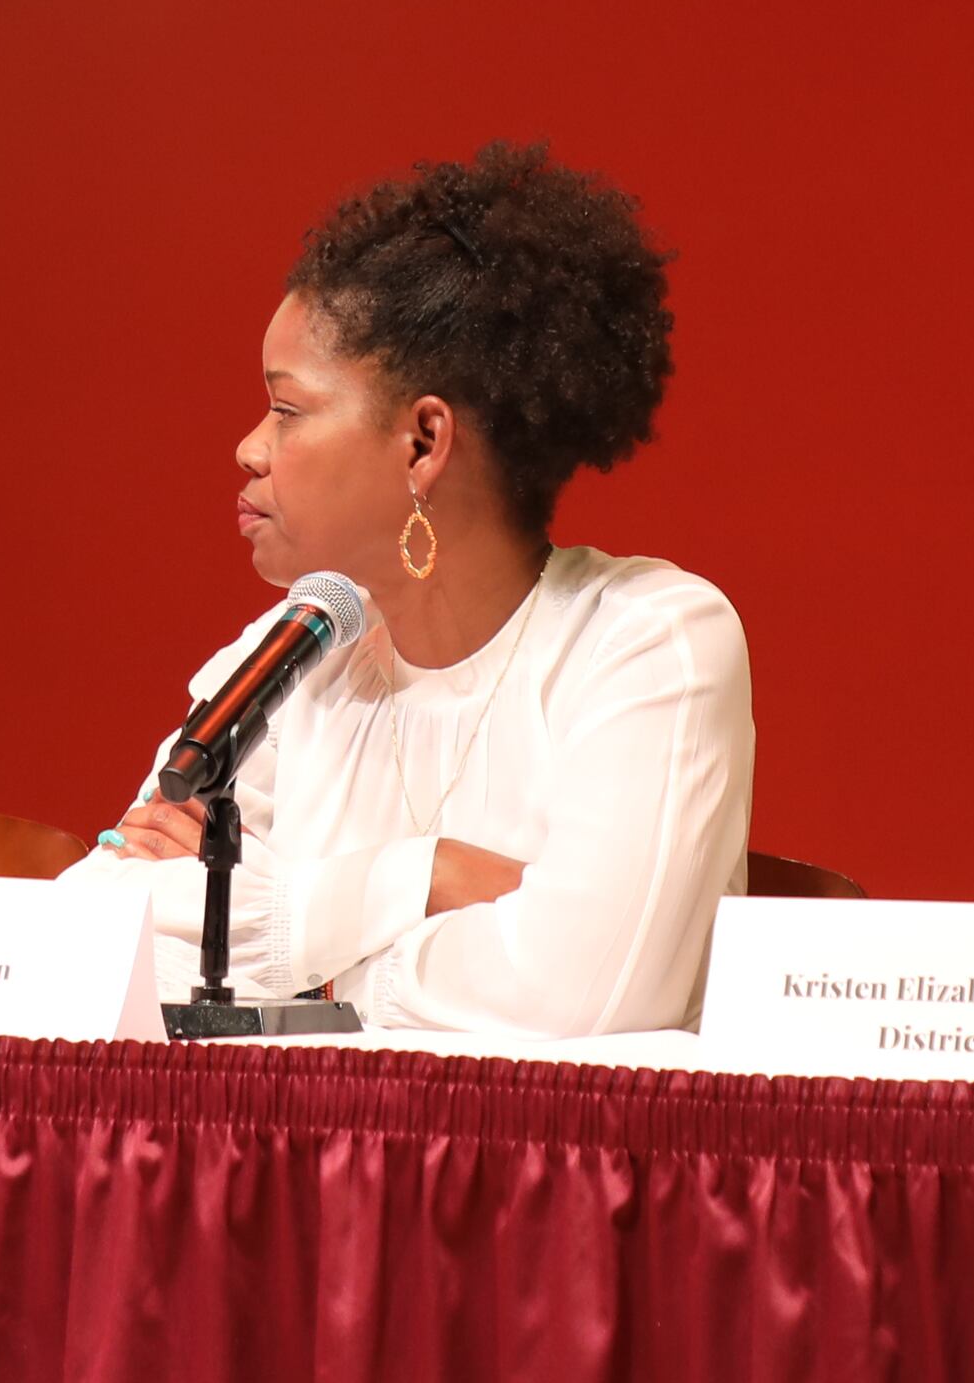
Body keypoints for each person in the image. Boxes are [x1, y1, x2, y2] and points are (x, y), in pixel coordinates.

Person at [73, 143, 751, 1036]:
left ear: (424, 442)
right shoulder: (297, 648)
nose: (249, 448)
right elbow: (87, 936)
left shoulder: (649, 642)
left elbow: (572, 1004)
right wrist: (420, 876)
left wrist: (296, 984)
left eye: (286, 408)